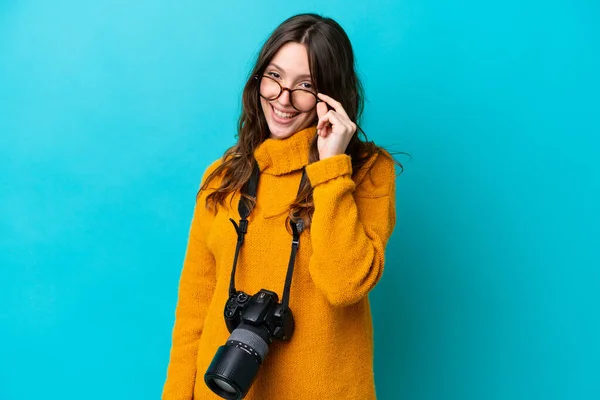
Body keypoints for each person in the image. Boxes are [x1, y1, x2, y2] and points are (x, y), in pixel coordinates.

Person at [163, 13, 400, 400]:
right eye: (274, 77)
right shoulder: (224, 177)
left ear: (332, 96)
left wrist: (330, 169)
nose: (282, 99)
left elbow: (344, 285)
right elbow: (194, 306)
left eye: (305, 85)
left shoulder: (368, 172)